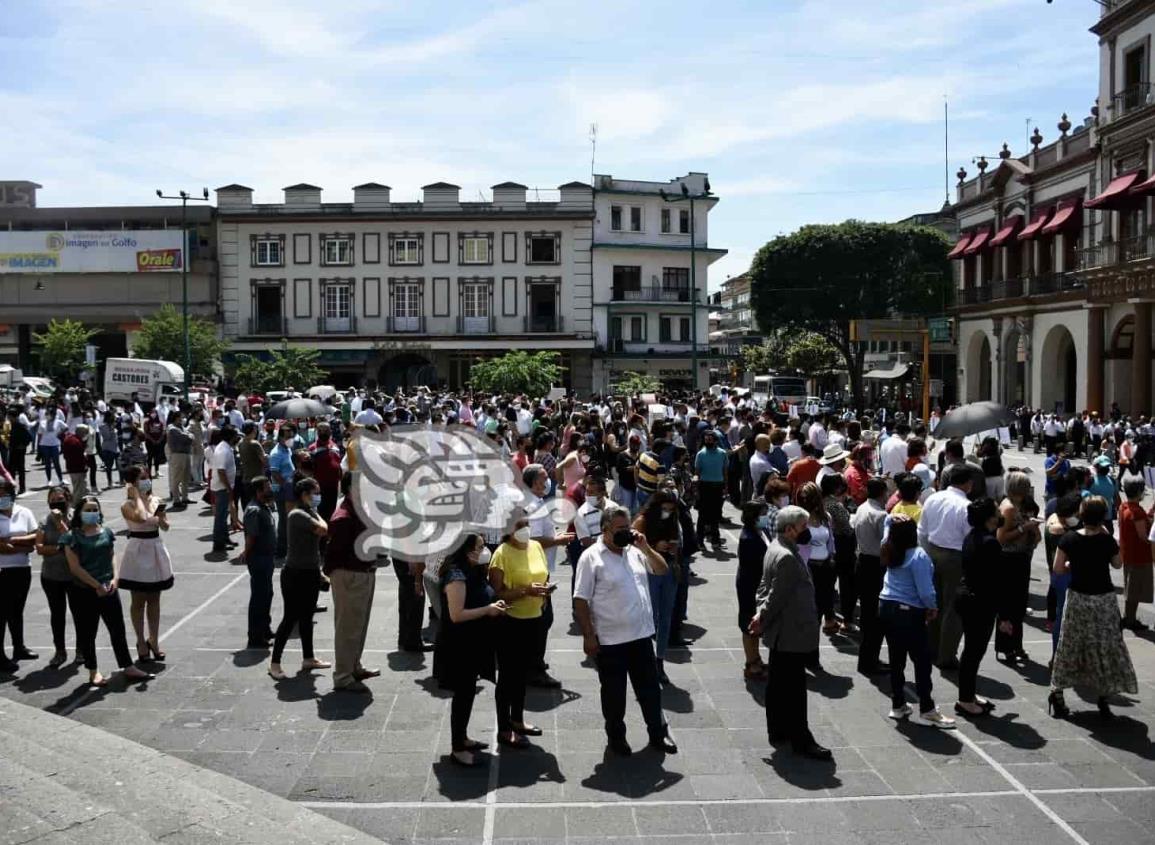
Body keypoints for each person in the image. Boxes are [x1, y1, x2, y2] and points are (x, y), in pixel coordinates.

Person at [574, 505, 678, 756]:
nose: (625, 534)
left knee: (650, 690)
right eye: (620, 530)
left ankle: (657, 733)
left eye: (627, 528)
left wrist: (645, 547)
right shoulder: (591, 557)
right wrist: (589, 635)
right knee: (614, 695)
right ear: (605, 530)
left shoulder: (634, 551)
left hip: (641, 636)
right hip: (611, 641)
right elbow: (580, 600)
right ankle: (616, 738)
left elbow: (662, 568)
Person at [748, 505, 831, 760]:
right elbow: (776, 595)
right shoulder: (786, 557)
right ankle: (801, 740)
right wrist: (762, 617)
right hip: (791, 632)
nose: (807, 531)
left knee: (777, 686)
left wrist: (760, 613)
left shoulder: (775, 547)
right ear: (790, 529)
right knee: (794, 689)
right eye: (803, 526)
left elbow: (764, 587)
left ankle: (778, 731)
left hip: (782, 633)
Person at [1049, 496, 1139, 719]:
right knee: (1106, 645)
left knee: (1070, 644)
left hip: (1078, 597)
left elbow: (1058, 568)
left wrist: (1073, 563)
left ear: (1082, 514)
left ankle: (1057, 692)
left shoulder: (1069, 539)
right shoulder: (1106, 540)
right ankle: (1103, 694)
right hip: (1103, 599)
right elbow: (1118, 563)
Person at [63, 496, 152, 687]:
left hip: (109, 588)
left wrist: (114, 579)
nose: (92, 513)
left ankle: (127, 665)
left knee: (117, 629)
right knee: (88, 631)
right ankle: (93, 671)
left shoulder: (106, 532)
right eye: (88, 509)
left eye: (95, 509)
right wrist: (96, 585)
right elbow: (75, 568)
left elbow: (112, 557)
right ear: (79, 513)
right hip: (84, 591)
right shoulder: (72, 537)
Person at [434, 533, 506, 766]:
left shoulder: (472, 570)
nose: (484, 550)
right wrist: (488, 610)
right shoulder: (456, 576)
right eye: (480, 547)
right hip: (459, 646)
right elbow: (457, 615)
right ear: (467, 550)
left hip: (472, 643)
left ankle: (463, 738)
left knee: (467, 693)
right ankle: (457, 747)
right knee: (463, 695)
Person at [879, 517, 955, 729]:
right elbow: (925, 590)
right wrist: (932, 607)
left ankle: (898, 705)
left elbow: (887, 529)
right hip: (908, 611)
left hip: (886, 605)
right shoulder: (918, 555)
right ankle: (927, 709)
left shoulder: (888, 547)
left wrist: (890, 519)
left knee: (896, 659)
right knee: (921, 661)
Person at [488, 515, 550, 748]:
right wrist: (525, 591)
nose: (525, 530)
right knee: (507, 676)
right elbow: (497, 592)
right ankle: (504, 728)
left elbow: (543, 573)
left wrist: (544, 591)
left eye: (526, 525)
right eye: (519, 527)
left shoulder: (535, 546)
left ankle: (518, 720)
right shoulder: (502, 554)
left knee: (523, 674)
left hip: (534, 619)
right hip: (510, 622)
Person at [323, 471, 381, 693]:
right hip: (350, 575)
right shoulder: (343, 517)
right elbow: (333, 552)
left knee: (359, 624)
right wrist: (331, 574)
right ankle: (343, 675)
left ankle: (354, 665)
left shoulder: (360, 510)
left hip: (364, 573)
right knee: (348, 627)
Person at [268, 478, 330, 680]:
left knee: (307, 617)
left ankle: (308, 658)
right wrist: (319, 517)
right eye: (315, 492)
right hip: (294, 574)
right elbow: (323, 529)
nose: (318, 496)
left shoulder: (309, 512)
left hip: (310, 571)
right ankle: (275, 663)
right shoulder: (297, 514)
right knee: (290, 618)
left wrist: (319, 573)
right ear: (305, 494)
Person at [918, 464, 973, 671]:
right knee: (953, 608)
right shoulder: (965, 506)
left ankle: (932, 649)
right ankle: (946, 655)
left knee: (934, 603)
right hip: (954, 557)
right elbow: (969, 538)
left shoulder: (933, 498)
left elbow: (922, 531)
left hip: (932, 550)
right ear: (967, 484)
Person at [118, 465, 174, 662]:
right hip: (138, 549)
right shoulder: (128, 505)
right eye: (142, 478)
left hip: (155, 547)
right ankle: (141, 640)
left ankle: (154, 639)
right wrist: (137, 497)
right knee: (138, 600)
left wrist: (162, 520)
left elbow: (165, 525)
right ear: (133, 482)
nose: (146, 480)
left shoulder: (157, 501)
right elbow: (141, 518)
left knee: (155, 599)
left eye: (147, 477)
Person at [955, 498, 1004, 717]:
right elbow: (995, 578)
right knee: (973, 652)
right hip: (980, 603)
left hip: (968, 597)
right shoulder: (989, 542)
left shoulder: (972, 537)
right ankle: (965, 699)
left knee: (972, 651)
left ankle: (969, 694)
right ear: (989, 517)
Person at [993, 471, 1041, 664]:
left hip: (1021, 558)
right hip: (1009, 560)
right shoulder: (1009, 508)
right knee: (1009, 605)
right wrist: (1025, 528)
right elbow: (1001, 537)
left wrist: (1032, 530)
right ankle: (1007, 646)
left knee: (1018, 605)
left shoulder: (1020, 506)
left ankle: (1015, 643)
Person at [633, 489, 680, 685]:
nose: (667, 512)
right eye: (664, 508)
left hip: (668, 569)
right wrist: (653, 546)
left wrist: (673, 549)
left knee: (666, 618)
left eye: (671, 509)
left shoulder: (672, 519)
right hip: (648, 571)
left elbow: (677, 540)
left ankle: (659, 660)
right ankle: (646, 660)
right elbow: (633, 546)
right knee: (649, 617)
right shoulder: (642, 520)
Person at [35, 486, 81, 667]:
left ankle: (81, 650)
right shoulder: (44, 520)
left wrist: (60, 523)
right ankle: (60, 651)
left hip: (74, 575)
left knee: (79, 614)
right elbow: (39, 547)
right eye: (52, 499)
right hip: (51, 576)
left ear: (68, 499)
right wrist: (61, 548)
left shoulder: (75, 518)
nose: (56, 502)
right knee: (57, 614)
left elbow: (76, 542)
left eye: (60, 498)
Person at [852, 477, 890, 675]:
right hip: (876, 566)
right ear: (882, 493)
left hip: (863, 562)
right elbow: (886, 545)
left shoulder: (862, 508)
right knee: (875, 619)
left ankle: (868, 659)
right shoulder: (881, 515)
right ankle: (870, 661)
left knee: (867, 617)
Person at [0, 476, 38, 672]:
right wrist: (20, 546)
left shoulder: (24, 512)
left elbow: (35, 537)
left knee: (17, 610)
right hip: (2, 571)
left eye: (4, 494)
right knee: (2, 612)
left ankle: (19, 646)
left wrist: (13, 540)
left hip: (22, 568)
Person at [796, 482, 838, 636]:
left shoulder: (826, 518)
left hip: (825, 569)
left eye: (812, 498)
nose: (809, 502)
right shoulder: (798, 520)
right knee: (807, 611)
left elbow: (831, 541)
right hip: (807, 569)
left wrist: (832, 557)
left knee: (821, 607)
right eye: (805, 499)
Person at [242, 476, 277, 649]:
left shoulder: (264, 506)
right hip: (259, 558)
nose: (270, 489)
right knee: (259, 597)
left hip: (267, 557)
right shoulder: (254, 510)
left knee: (267, 594)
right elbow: (252, 536)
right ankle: (255, 636)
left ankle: (265, 628)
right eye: (267, 487)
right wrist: (246, 553)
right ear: (258, 491)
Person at [737, 500, 771, 680]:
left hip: (759, 584)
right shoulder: (747, 538)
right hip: (750, 586)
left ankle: (756, 658)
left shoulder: (761, 531)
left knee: (756, 626)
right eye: (763, 513)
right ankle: (751, 663)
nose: (766, 516)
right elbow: (753, 567)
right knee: (749, 624)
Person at [1046, 492, 1082, 654]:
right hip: (1064, 576)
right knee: (1063, 618)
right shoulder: (1061, 531)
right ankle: (1058, 654)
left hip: (1057, 576)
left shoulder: (1053, 518)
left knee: (1061, 615)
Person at [1118, 478, 1152, 630]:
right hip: (1139, 556)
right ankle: (1130, 619)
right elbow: (1144, 537)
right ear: (1138, 491)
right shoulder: (1137, 512)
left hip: (1128, 553)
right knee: (1134, 591)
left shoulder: (1124, 506)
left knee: (1130, 588)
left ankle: (1128, 617)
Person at [693, 429, 727, 550]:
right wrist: (696, 490)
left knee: (715, 515)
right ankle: (700, 541)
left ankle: (715, 540)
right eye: (706, 440)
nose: (708, 441)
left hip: (718, 487)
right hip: (704, 487)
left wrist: (725, 487)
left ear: (716, 441)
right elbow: (697, 473)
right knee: (702, 516)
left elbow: (724, 471)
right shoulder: (700, 454)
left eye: (710, 440)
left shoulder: (722, 453)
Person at [210, 426, 241, 554]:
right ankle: (218, 544)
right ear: (230, 436)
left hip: (225, 486)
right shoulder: (223, 450)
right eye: (235, 435)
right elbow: (221, 471)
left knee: (224, 515)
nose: (237, 437)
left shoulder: (226, 447)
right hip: (222, 487)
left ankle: (225, 538)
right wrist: (229, 488)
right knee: (221, 517)